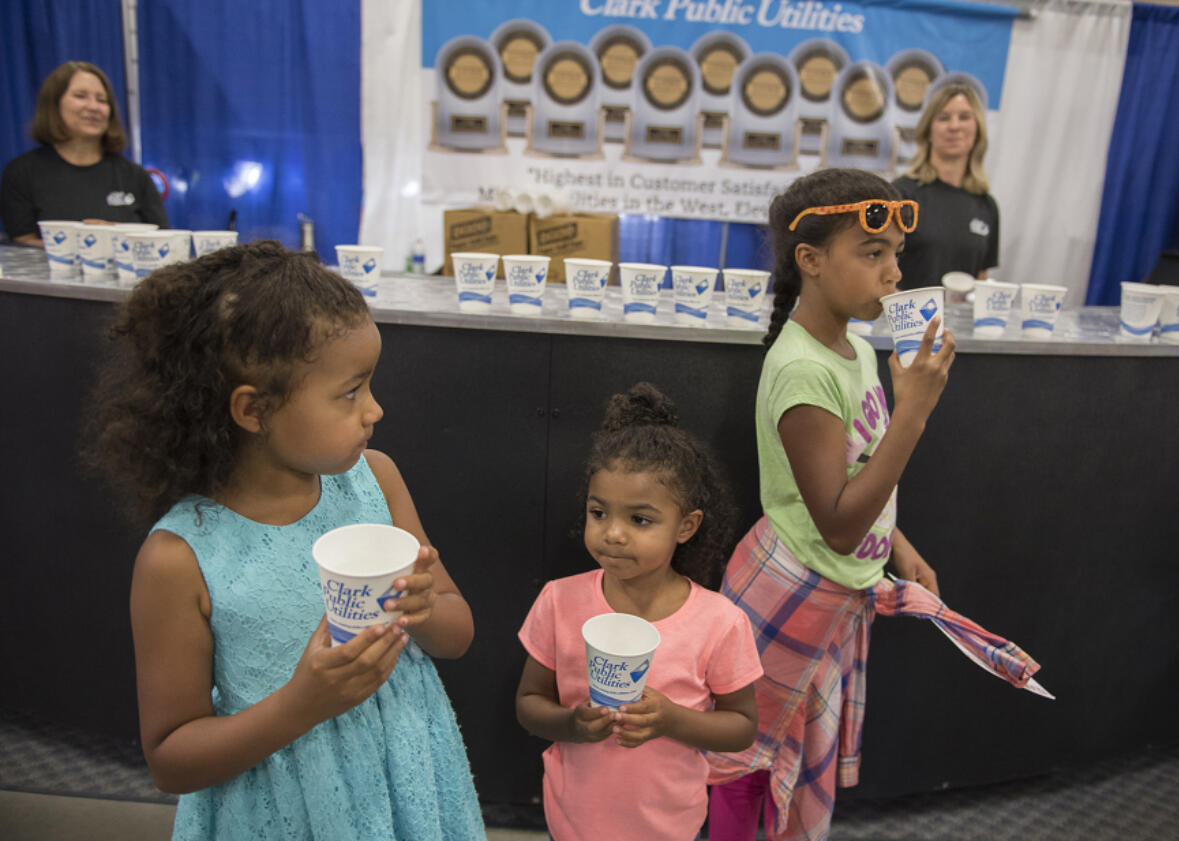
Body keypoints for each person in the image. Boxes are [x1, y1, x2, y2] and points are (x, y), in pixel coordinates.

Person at [83, 241, 484, 840]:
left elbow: (456, 635)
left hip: (408, 778)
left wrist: (424, 610)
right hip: (282, 808)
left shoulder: (376, 481)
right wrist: (301, 705)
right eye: (350, 392)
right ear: (253, 410)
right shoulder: (180, 558)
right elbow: (170, 758)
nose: (374, 409)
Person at [705, 168, 955, 841]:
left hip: (832, 602)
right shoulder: (804, 370)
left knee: (799, 760)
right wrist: (916, 412)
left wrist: (902, 548)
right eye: (873, 254)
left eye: (896, 255)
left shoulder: (851, 347)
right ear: (810, 261)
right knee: (750, 764)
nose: (893, 273)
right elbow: (840, 524)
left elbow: (864, 468)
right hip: (790, 594)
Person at [515, 382, 763, 841]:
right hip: (570, 824)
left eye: (640, 520)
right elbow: (529, 705)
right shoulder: (558, 601)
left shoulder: (720, 622)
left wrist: (671, 720)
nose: (612, 534)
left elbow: (742, 728)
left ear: (685, 527)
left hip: (669, 827)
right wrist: (571, 723)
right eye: (598, 513)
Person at [1, 61, 168, 245]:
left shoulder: (135, 176)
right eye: (80, 96)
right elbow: (22, 244)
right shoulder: (21, 173)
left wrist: (116, 238)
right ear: (54, 105)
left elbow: (163, 241)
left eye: (102, 100)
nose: (94, 107)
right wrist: (89, 246)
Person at [893, 82, 998, 288]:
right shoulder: (902, 194)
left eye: (965, 117)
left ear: (977, 130)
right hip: (905, 318)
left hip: (959, 320)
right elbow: (876, 271)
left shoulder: (987, 205)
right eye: (943, 117)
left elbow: (980, 278)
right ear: (928, 131)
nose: (954, 126)